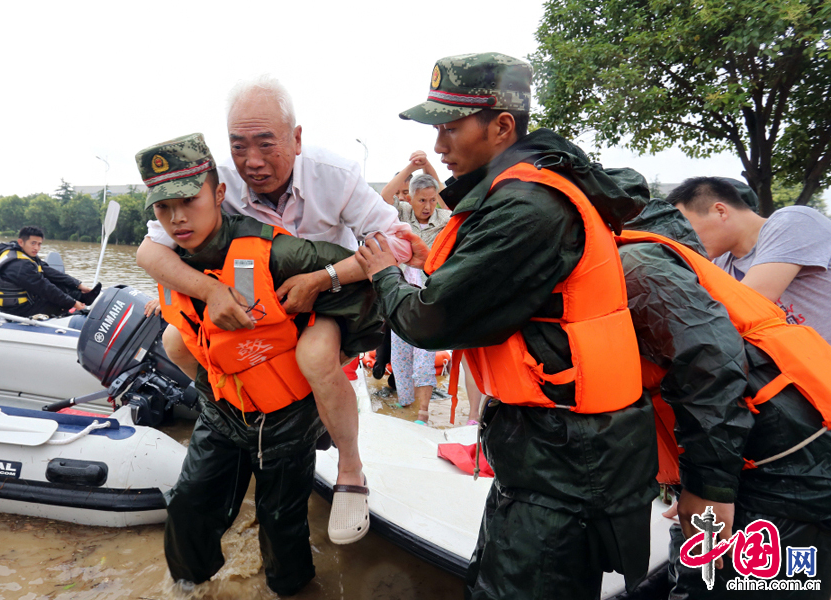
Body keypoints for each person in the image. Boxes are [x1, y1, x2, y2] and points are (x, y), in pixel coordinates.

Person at [355, 52, 658, 600]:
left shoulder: (526, 205)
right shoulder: (519, 192)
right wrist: (431, 262)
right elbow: (493, 290)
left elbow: (429, 319)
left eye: (450, 127)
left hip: (564, 461)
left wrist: (385, 275)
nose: (440, 146)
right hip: (544, 449)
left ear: (501, 126)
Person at [135, 75, 412, 544]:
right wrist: (210, 292)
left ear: (297, 138)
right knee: (175, 340)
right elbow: (149, 251)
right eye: (239, 146)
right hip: (253, 281)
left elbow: (398, 241)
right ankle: (230, 409)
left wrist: (324, 278)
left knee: (315, 357)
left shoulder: (336, 174)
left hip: (329, 288)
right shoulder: (214, 179)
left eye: (267, 143)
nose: (253, 161)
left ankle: (350, 465)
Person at [615, 197, 831, 598]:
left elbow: (709, 363)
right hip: (746, 453)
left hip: (784, 465)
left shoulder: (638, 264)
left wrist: (706, 488)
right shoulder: (652, 261)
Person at [669, 177, 831, 343]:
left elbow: (747, 304)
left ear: (720, 211)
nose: (684, 239)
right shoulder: (721, 264)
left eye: (686, 227)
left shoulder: (793, 221)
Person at [387, 173, 451, 424]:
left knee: (425, 352)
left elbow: (454, 203)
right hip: (402, 291)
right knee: (400, 353)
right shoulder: (402, 214)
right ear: (410, 198)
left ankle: (423, 411)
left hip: (429, 292)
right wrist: (409, 168)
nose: (427, 206)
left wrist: (428, 166)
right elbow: (383, 198)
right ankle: (406, 406)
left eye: (431, 200)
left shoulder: (444, 218)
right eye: (421, 200)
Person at [0, 226, 100, 317]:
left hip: (22, 299)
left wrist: (79, 285)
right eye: (33, 243)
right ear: (21, 242)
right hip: (16, 309)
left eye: (39, 244)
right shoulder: (20, 266)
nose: (36, 248)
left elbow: (48, 271)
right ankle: (72, 317)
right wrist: (73, 303)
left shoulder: (18, 251)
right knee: (58, 301)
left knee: (57, 283)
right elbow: (46, 289)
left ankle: (85, 297)